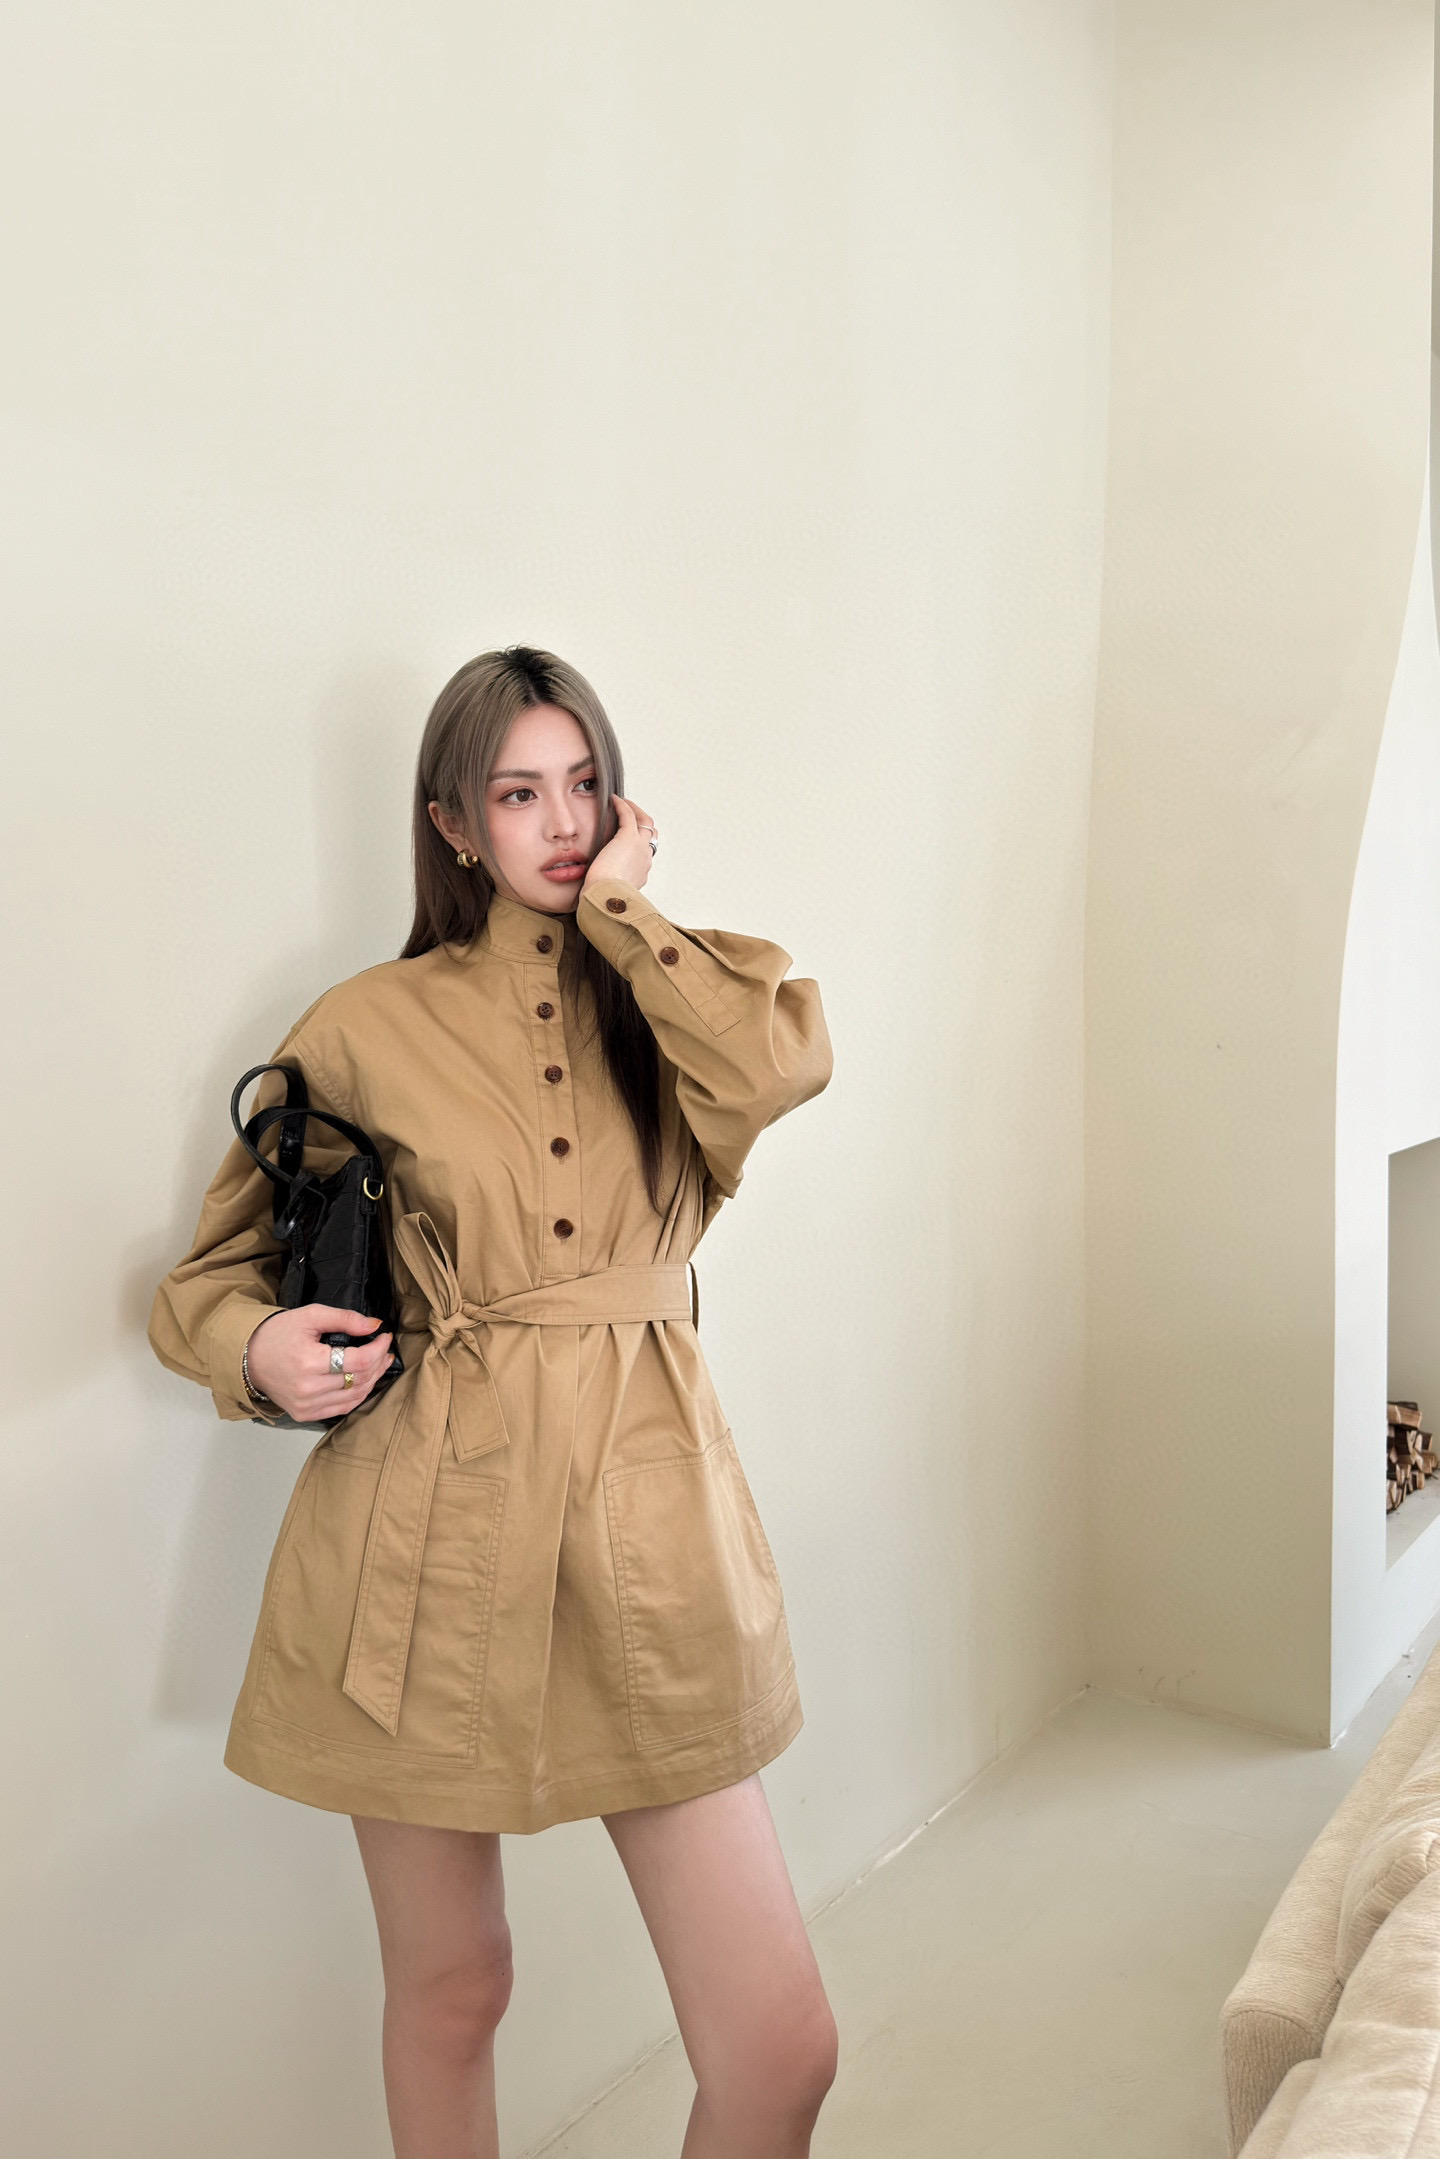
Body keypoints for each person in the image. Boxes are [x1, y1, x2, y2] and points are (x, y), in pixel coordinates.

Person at [149, 646, 837, 2158]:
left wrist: (627, 919)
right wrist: (260, 1356)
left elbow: (784, 1068)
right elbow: (209, 1279)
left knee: (781, 2049)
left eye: (586, 784)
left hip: (653, 1526)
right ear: (455, 825)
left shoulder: (682, 994)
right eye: (519, 794)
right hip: (419, 1545)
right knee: (455, 1990)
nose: (564, 821)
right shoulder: (362, 1025)